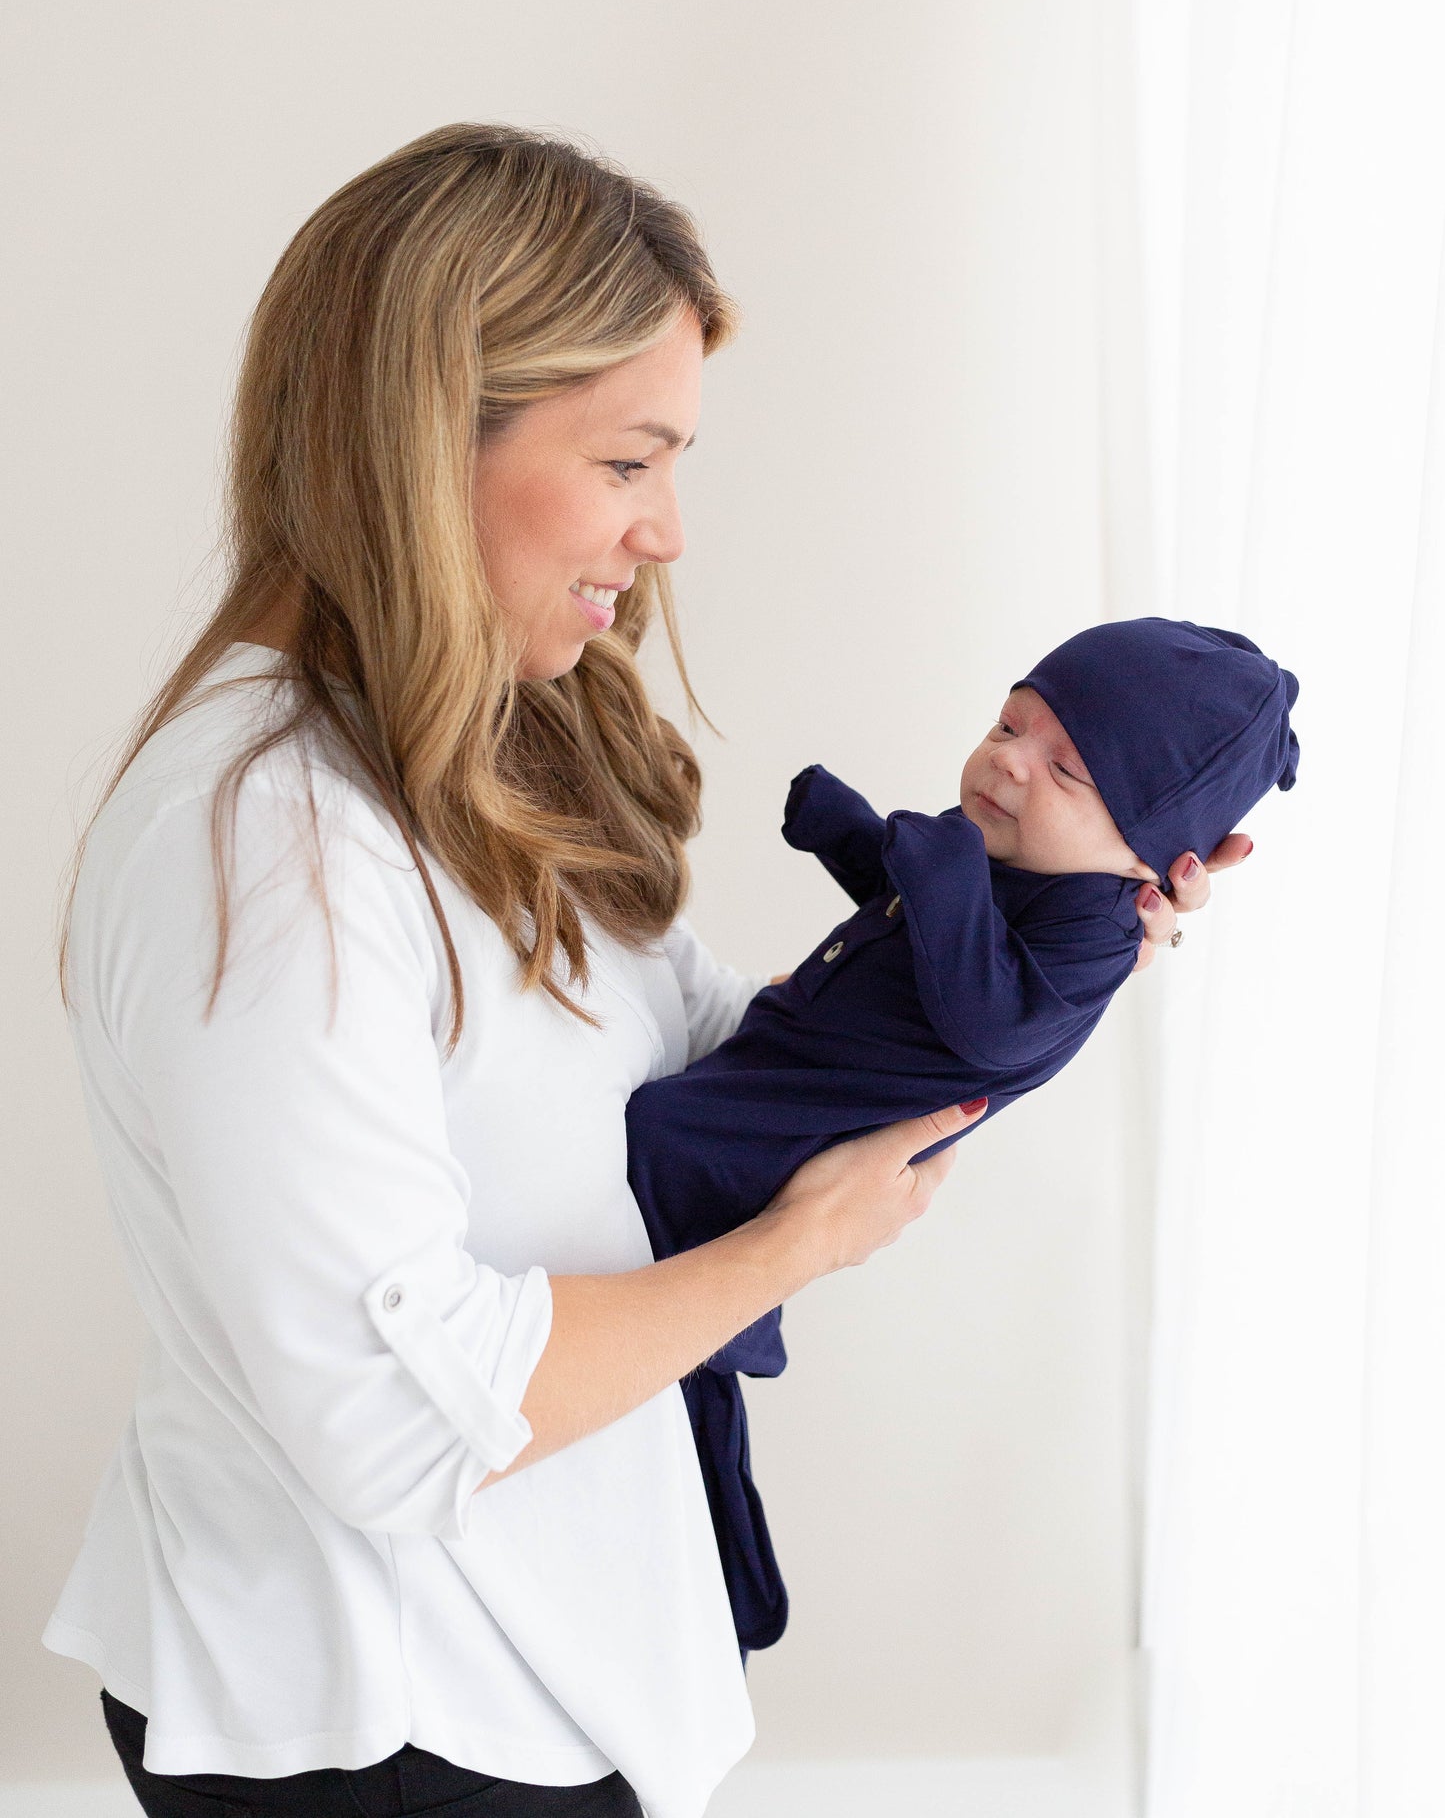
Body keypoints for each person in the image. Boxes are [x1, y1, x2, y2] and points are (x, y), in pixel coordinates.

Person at [43, 125, 1234, 1818]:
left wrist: (1060, 939)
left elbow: (708, 1051)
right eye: (625, 461)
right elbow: (392, 1418)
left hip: (527, 1672)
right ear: (421, 437)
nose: (665, 530)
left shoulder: (461, 757)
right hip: (388, 1720)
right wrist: (788, 1248)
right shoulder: (270, 838)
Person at [626, 617, 1299, 1652]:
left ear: (1150, 855)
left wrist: (933, 860)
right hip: (776, 1074)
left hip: (788, 1130)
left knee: (655, 1147)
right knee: (666, 1328)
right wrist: (848, 829)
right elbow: (913, 909)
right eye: (1007, 723)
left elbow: (986, 1013)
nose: (1010, 761)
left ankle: (721, 1587)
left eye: (1066, 769)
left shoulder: (1094, 928)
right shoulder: (1015, 860)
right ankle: (713, 1564)